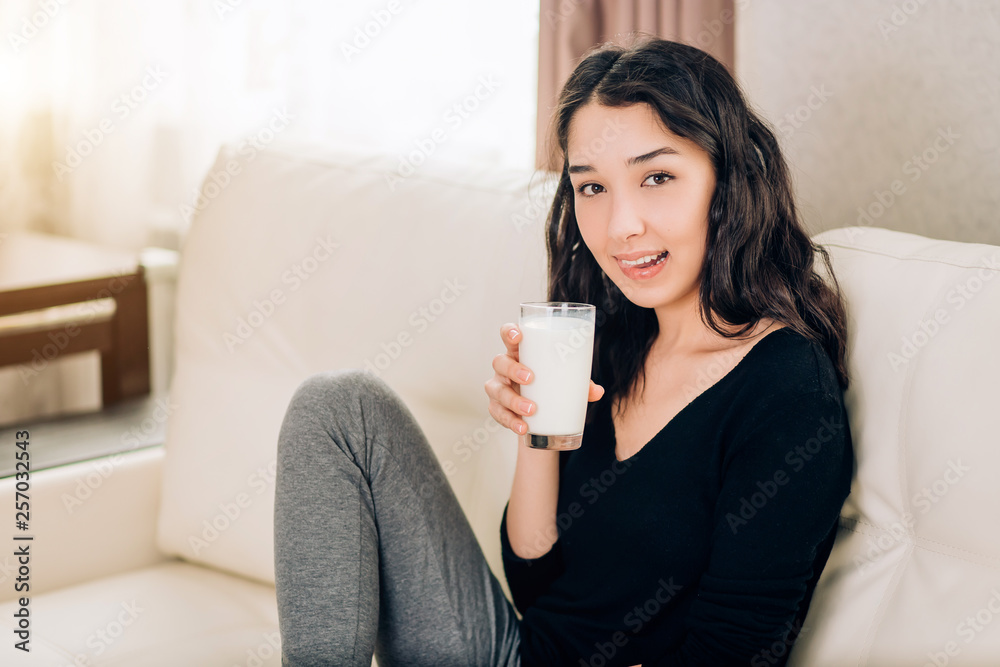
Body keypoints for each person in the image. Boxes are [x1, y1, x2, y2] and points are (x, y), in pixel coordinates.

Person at [273, 35, 854, 667]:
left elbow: (734, 651)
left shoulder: (787, 391)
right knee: (338, 407)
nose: (620, 224)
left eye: (657, 177)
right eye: (592, 188)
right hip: (515, 652)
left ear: (728, 179)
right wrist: (535, 436)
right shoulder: (610, 338)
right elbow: (536, 586)